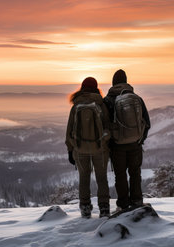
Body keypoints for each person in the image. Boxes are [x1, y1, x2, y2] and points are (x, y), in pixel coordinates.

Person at [103, 69, 151, 212]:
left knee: (120, 175)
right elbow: (146, 122)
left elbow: (104, 125)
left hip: (117, 146)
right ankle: (137, 200)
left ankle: (123, 204)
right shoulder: (136, 98)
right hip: (135, 144)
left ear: (113, 82)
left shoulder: (108, 100)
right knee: (135, 173)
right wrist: (140, 140)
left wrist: (110, 144)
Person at [65, 77, 111, 218]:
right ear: (96, 87)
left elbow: (69, 130)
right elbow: (108, 127)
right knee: (101, 178)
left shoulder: (76, 105)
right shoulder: (100, 103)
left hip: (80, 149)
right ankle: (104, 208)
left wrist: (70, 150)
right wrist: (104, 142)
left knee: (83, 178)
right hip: (99, 149)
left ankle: (85, 208)